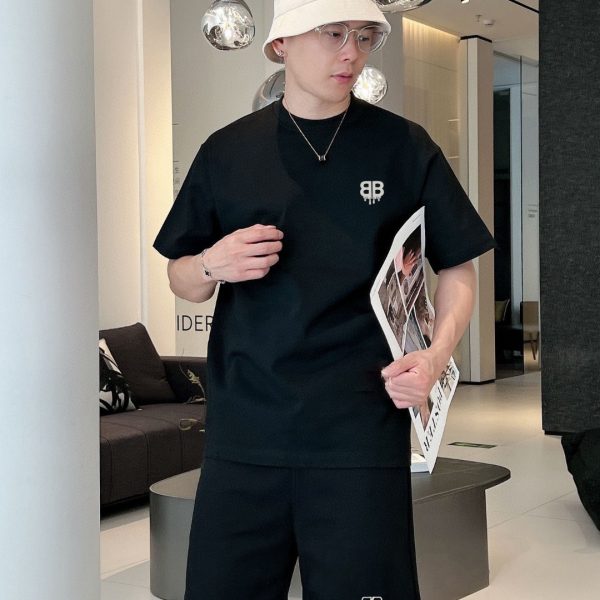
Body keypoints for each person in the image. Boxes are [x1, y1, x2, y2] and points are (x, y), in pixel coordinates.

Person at [153, 1, 496, 598]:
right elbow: (181, 278)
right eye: (333, 34)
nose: (351, 53)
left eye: (364, 37)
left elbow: (458, 263)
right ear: (281, 44)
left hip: (360, 427)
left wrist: (437, 356)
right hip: (246, 430)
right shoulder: (227, 151)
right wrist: (211, 263)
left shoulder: (403, 146)